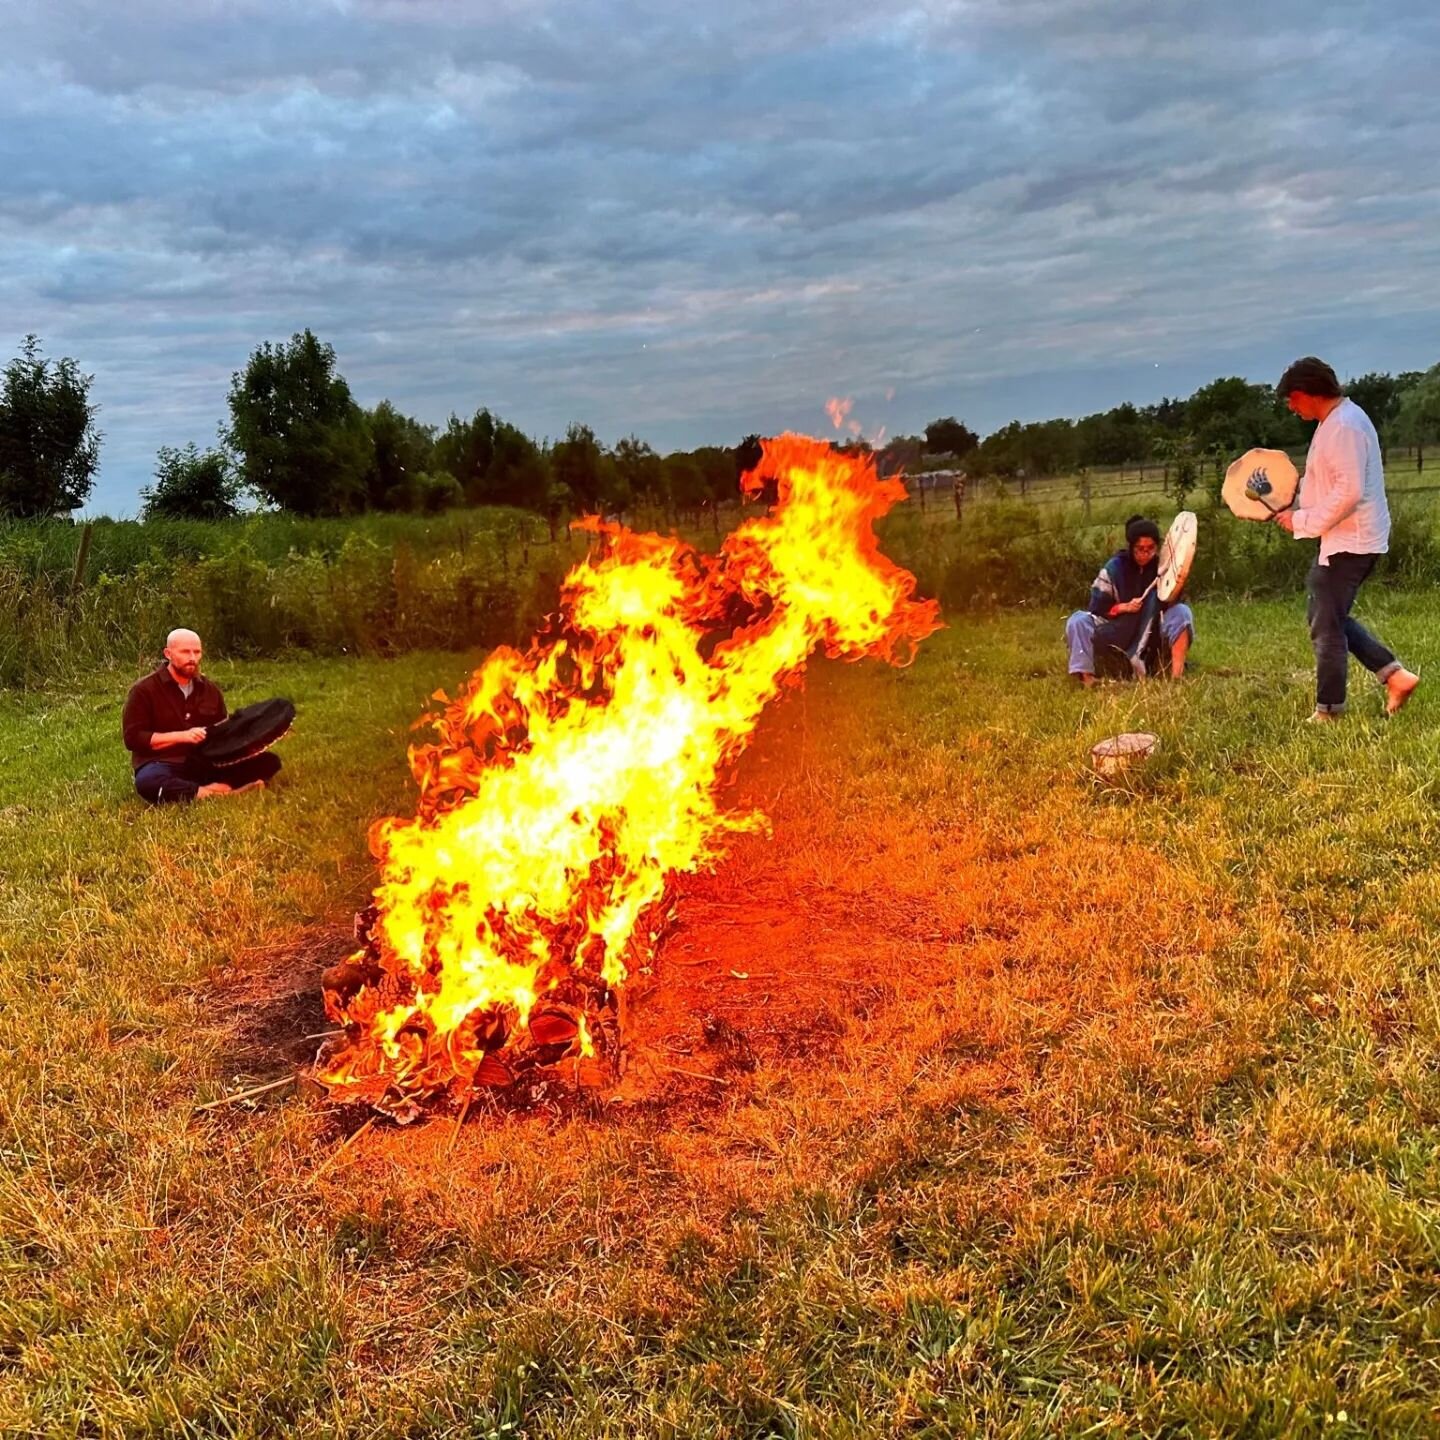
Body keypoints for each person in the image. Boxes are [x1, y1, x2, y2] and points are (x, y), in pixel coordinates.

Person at [1271, 357, 1419, 721]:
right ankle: (1395, 676)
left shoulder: (1345, 426)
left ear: (1304, 393)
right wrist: (1290, 504)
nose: (1292, 408)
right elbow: (1324, 484)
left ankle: (1330, 710)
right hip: (1344, 540)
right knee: (1325, 617)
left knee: (1326, 626)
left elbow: (1349, 491)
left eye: (1292, 400)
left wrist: (1303, 519)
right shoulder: (1334, 423)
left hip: (1352, 542)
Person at [122, 628, 282, 803]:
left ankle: (201, 790)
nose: (192, 657)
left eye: (197, 652)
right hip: (162, 763)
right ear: (168, 653)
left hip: (204, 762)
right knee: (148, 782)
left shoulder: (210, 690)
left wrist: (263, 734)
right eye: (185, 651)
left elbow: (223, 734)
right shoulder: (144, 690)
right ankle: (219, 793)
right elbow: (134, 738)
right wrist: (182, 736)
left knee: (269, 761)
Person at [1065, 515, 1194, 685]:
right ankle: (1087, 677)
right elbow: (1097, 607)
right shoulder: (1114, 567)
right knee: (1078, 620)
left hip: (1152, 632)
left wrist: (1174, 583)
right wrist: (1122, 608)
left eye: (1150, 548)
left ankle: (1177, 676)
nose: (1145, 554)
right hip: (1117, 630)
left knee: (1182, 612)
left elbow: (1172, 603)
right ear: (1131, 547)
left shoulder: (1163, 568)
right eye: (1140, 549)